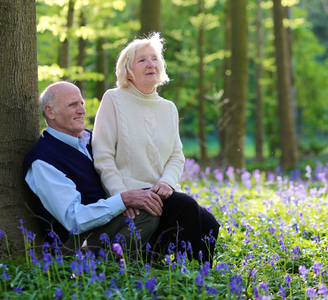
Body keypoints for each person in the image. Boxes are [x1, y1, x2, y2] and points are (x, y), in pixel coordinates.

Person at [92, 32, 220, 265]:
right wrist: (121, 198)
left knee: (210, 223)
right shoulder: (113, 99)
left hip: (161, 192)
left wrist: (167, 182)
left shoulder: (168, 108)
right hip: (132, 194)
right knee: (187, 207)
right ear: (128, 71)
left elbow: (176, 155)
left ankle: (182, 270)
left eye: (154, 59)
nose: (150, 64)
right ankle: (193, 275)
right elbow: (103, 155)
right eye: (142, 60)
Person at [23, 81, 163, 252]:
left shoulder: (91, 138)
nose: (82, 110)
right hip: (75, 244)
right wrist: (124, 200)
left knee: (162, 203)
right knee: (147, 214)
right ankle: (114, 269)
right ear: (50, 112)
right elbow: (74, 219)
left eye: (81, 103)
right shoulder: (43, 160)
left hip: (107, 222)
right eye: (73, 105)